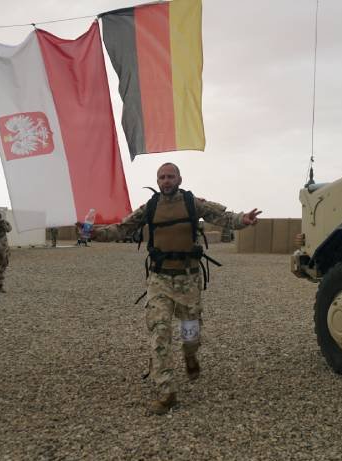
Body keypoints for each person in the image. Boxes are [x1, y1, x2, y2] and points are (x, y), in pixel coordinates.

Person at [89, 162, 261, 415]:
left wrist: (242, 220)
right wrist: (94, 233)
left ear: (179, 178)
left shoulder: (193, 203)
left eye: (170, 176)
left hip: (189, 281)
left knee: (191, 333)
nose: (166, 181)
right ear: (157, 181)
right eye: (162, 177)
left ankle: (190, 355)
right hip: (159, 280)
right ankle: (166, 391)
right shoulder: (150, 207)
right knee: (159, 332)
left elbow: (222, 217)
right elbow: (122, 228)